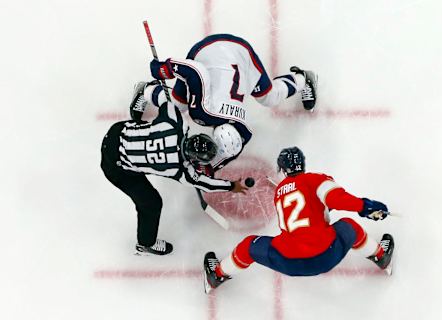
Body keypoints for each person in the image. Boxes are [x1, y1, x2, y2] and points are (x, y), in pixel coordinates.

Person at [202, 147, 395, 293]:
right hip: (326, 255)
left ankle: (216, 276)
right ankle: (381, 258)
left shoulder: (279, 191)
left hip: (288, 260)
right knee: (349, 226)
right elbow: (335, 199)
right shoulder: (315, 179)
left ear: (283, 170)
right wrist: (364, 206)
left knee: (248, 246)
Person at [131, 33, 318, 171]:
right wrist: (165, 69)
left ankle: (303, 79)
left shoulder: (243, 132)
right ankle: (145, 90)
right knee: (178, 106)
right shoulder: (204, 112)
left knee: (269, 96)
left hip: (242, 55)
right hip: (207, 51)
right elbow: (195, 71)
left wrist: (209, 169)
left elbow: (229, 152)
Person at [101, 100, 247, 256]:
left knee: (147, 131)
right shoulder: (181, 171)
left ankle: (141, 97)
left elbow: (167, 101)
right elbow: (207, 184)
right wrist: (232, 186)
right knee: (152, 203)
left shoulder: (175, 123)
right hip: (115, 168)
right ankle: (145, 244)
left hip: (117, 132)